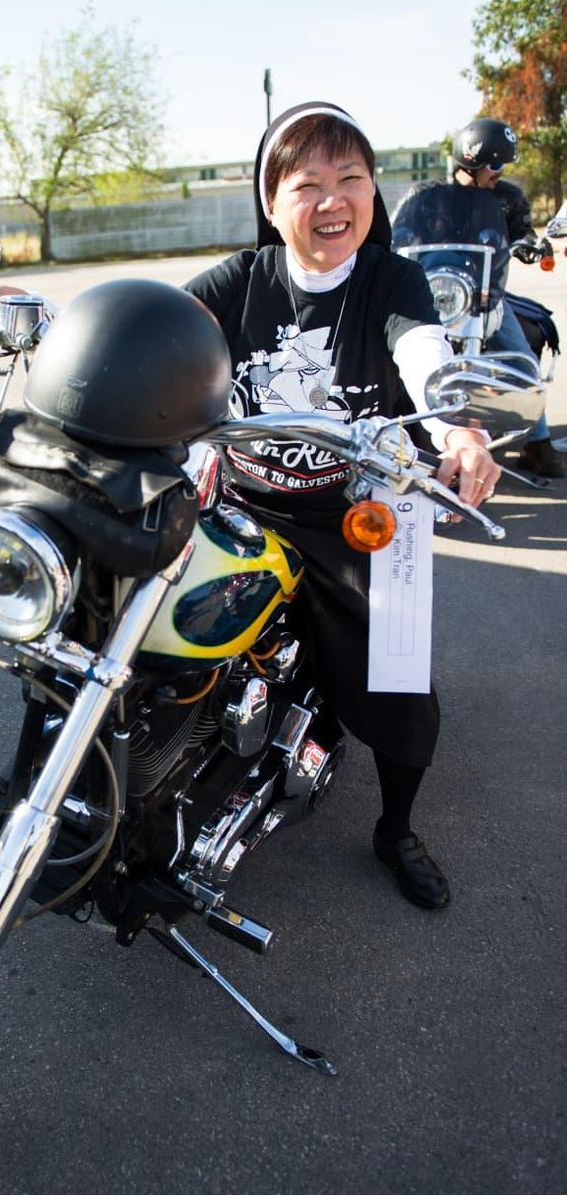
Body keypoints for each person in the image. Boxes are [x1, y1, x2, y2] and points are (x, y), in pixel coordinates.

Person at [186, 101, 501, 911]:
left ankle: (395, 826)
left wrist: (457, 422)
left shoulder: (391, 279)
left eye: (350, 179)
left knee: (399, 677)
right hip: (248, 506)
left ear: (372, 191)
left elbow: (423, 350)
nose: (333, 201)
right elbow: (158, 330)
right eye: (308, 183)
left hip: (356, 511)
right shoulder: (237, 281)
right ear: (271, 200)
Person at [450, 118, 563, 479]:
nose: (501, 172)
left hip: (488, 297)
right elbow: (406, 235)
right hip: (443, 295)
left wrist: (531, 245)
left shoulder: (509, 197)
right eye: (496, 164)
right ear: (473, 161)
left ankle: (538, 445)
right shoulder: (433, 197)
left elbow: (524, 232)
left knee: (523, 360)